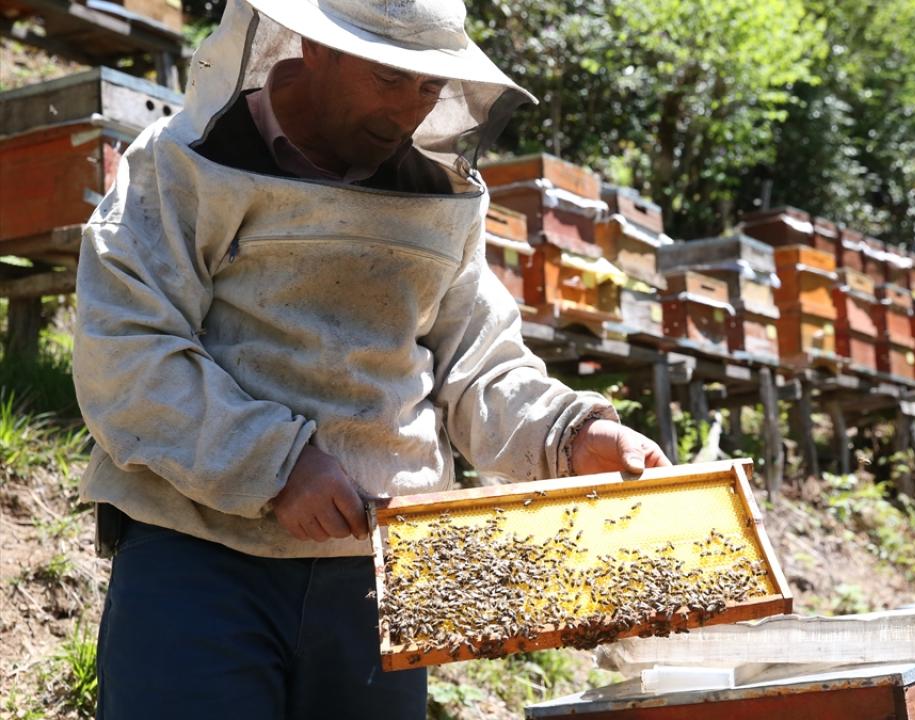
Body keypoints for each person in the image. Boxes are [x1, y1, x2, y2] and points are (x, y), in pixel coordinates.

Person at [71, 1, 669, 717]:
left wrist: (571, 434)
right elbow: (126, 351)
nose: (409, 111)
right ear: (315, 48)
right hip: (197, 559)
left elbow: (479, 365)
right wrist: (277, 463)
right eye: (390, 78)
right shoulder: (183, 166)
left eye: (428, 88)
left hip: (381, 577)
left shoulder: (441, 197)